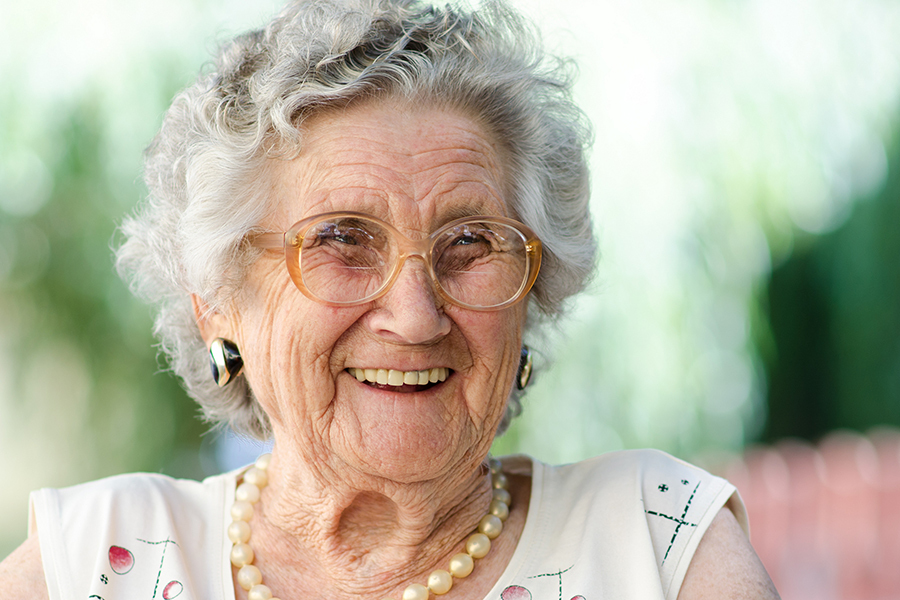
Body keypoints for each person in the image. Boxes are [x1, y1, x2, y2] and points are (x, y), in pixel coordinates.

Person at [0, 0, 780, 598]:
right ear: (218, 301)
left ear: (532, 294)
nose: (414, 314)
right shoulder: (90, 562)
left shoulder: (660, 545)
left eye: (470, 243)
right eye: (341, 239)